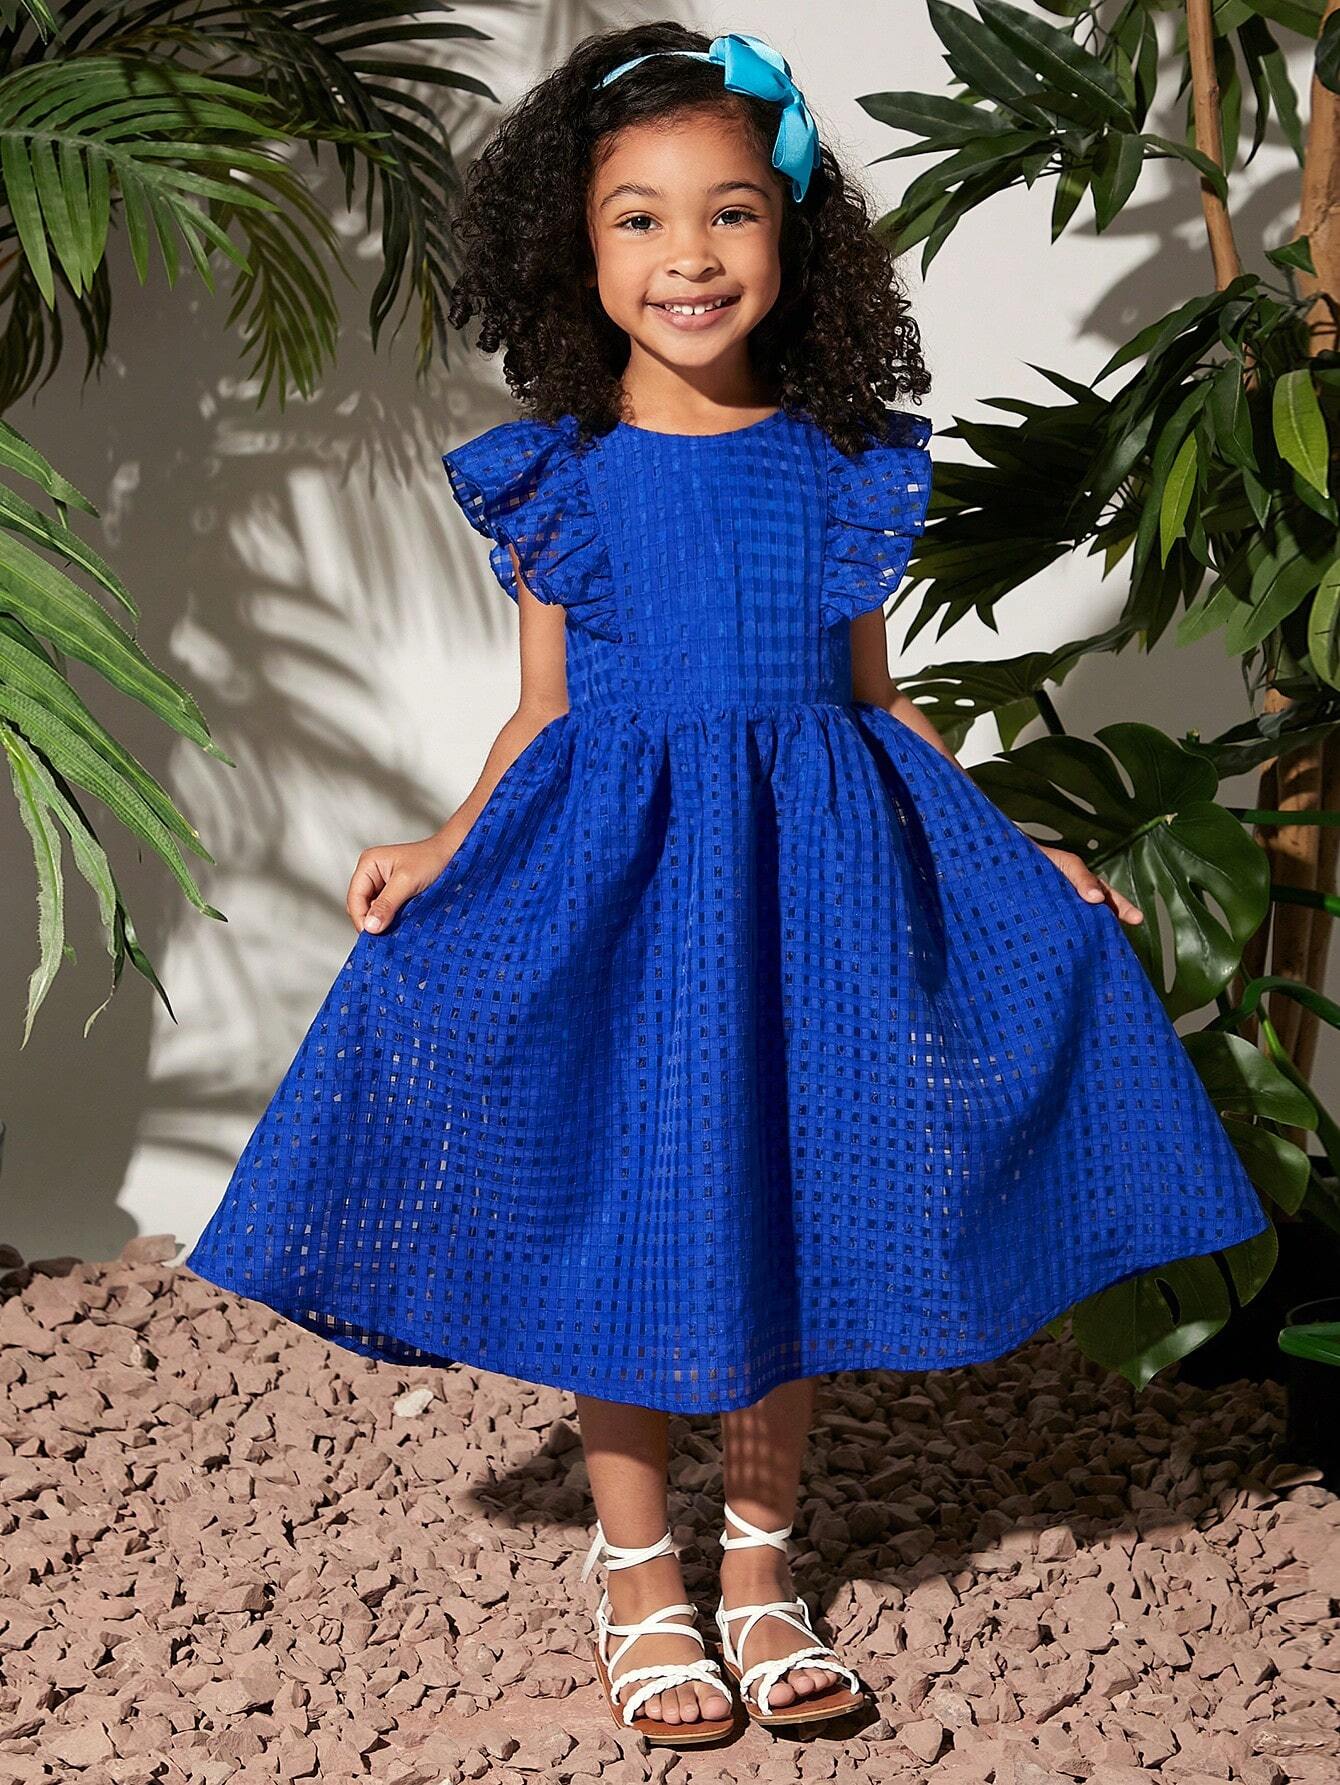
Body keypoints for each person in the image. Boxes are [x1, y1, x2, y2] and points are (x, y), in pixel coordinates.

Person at [186, 22, 1271, 1747]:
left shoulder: (841, 468)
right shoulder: (559, 475)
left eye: (731, 212)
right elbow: (543, 712)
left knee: (787, 1208)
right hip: (628, 893)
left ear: (795, 236)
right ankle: (640, 1578)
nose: (687, 255)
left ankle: (758, 1569)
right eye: (639, 218)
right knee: (638, 1218)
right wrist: (447, 846)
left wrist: (1017, 847)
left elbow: (881, 701)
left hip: (811, 895)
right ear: (573, 249)